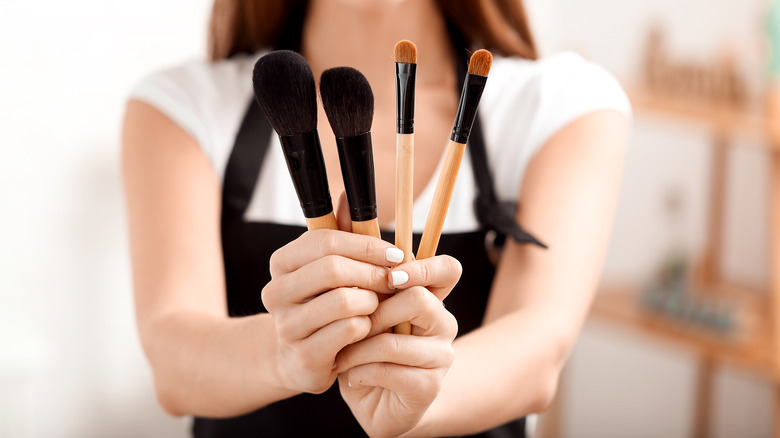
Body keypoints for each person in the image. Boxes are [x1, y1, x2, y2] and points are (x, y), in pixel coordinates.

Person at [122, 0, 631, 436]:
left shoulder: (561, 104)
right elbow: (172, 358)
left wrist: (420, 395)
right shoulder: (181, 106)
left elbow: (538, 349)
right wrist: (282, 354)